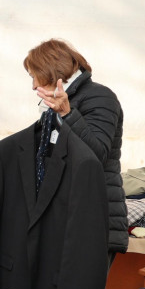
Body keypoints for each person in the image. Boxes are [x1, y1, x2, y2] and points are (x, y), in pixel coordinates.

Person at [23, 38, 127, 255]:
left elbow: (97, 155)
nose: (33, 85)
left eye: (34, 75)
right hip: (66, 219)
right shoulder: (58, 103)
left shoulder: (100, 97)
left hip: (91, 221)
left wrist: (67, 114)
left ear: (51, 70)